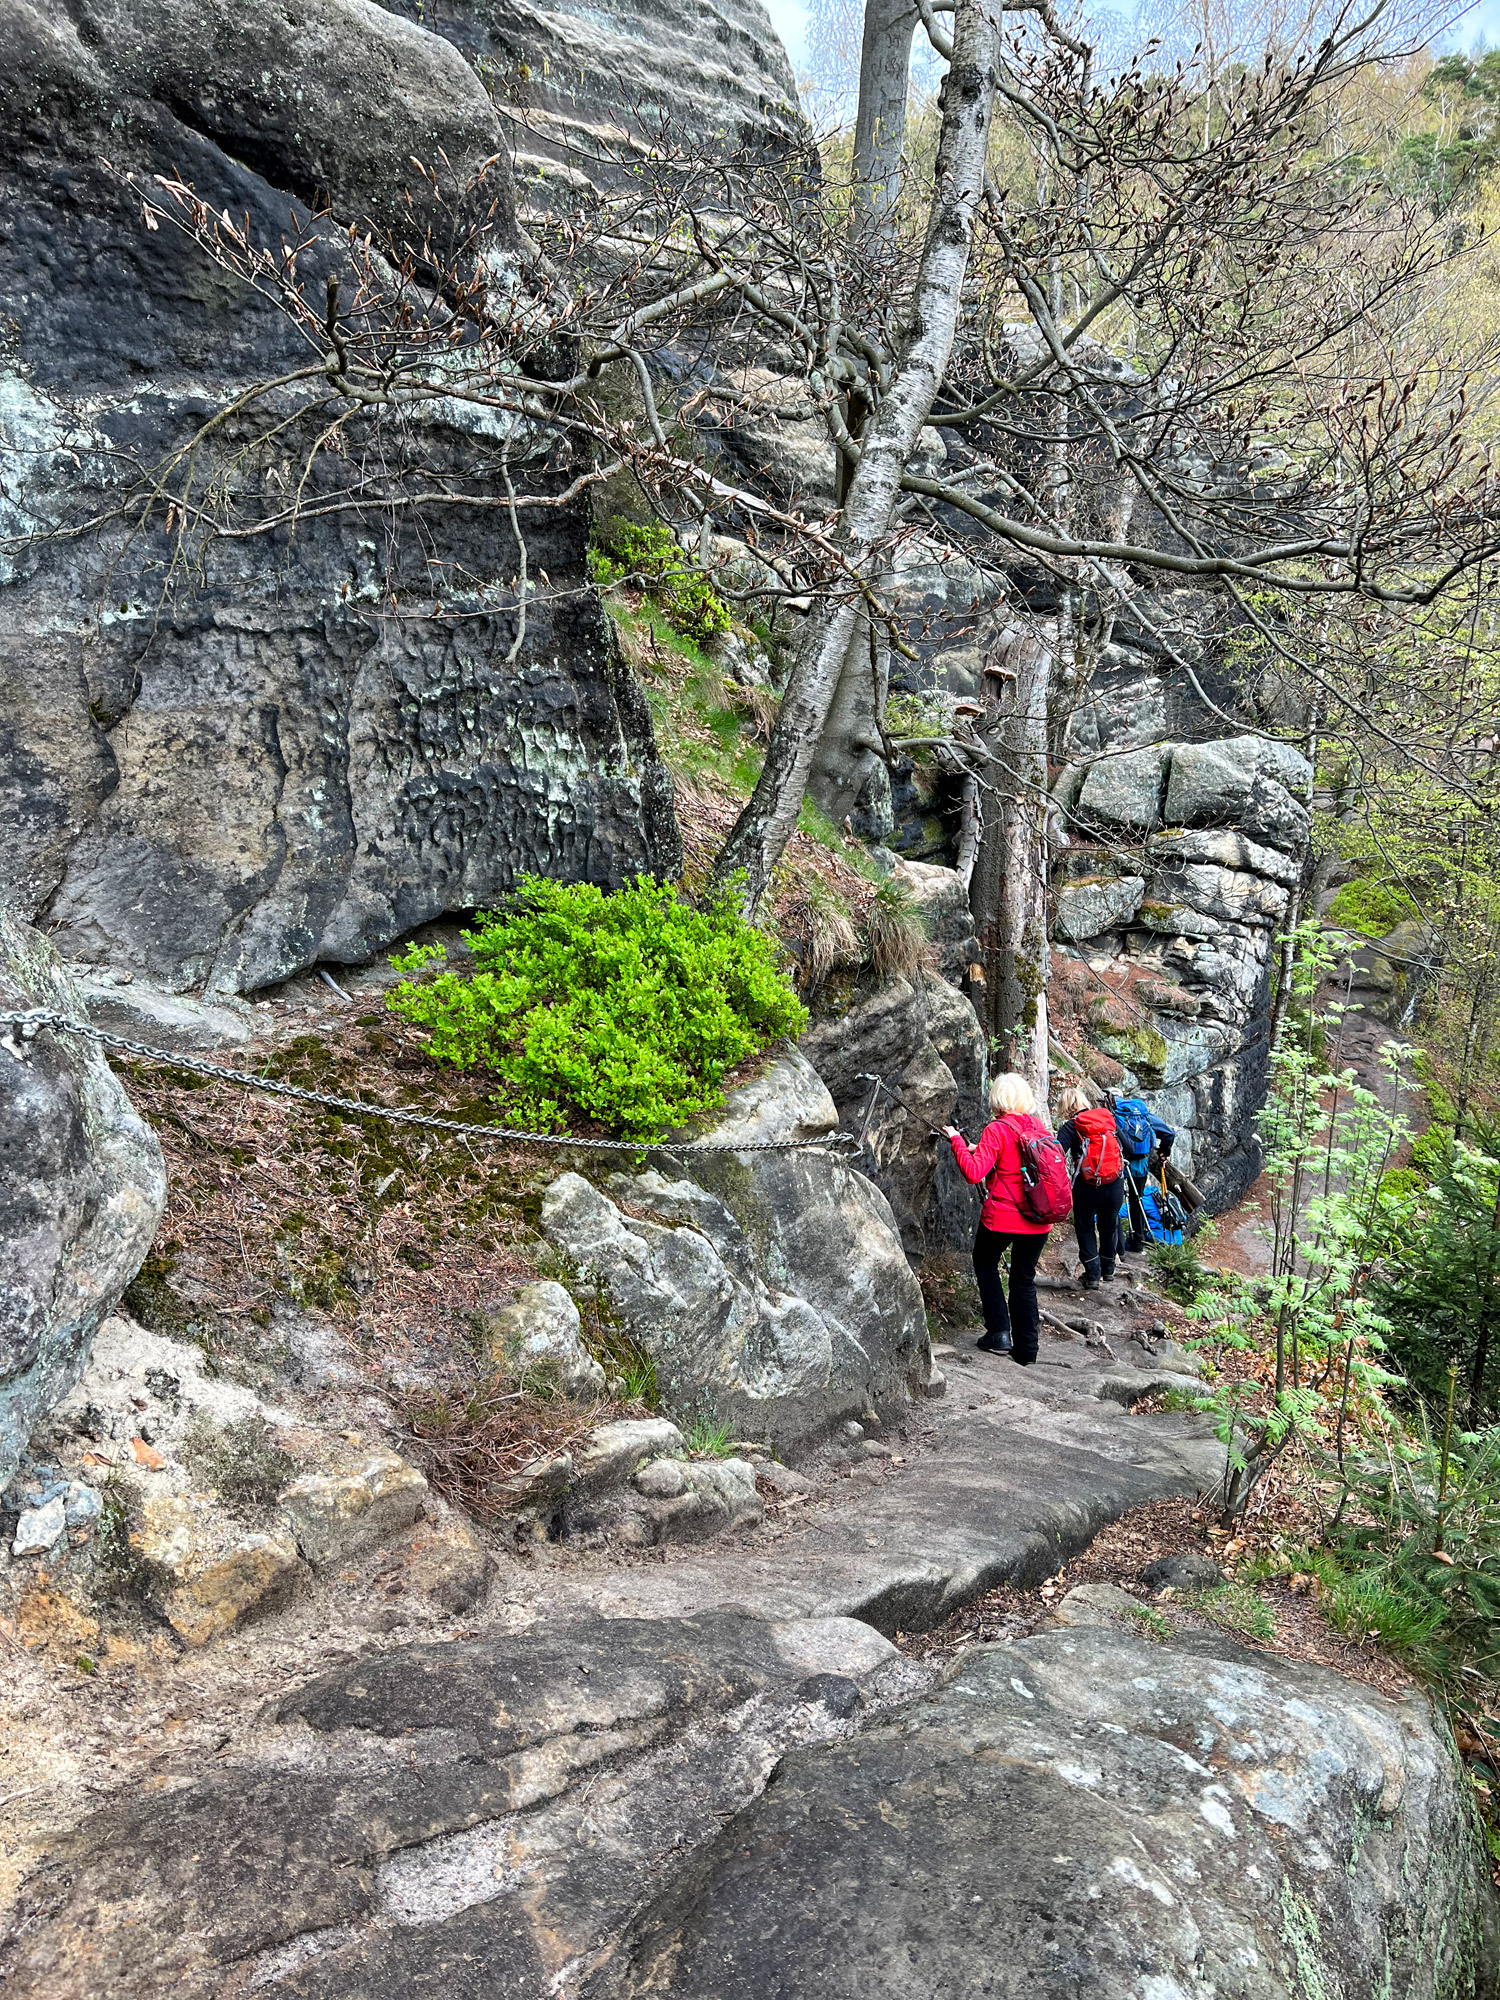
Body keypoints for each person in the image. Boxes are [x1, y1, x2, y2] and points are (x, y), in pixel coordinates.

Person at [942, 1073, 1053, 1363]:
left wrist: (956, 1141)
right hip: (1040, 1216)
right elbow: (1018, 1162)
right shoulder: (1037, 1126)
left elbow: (974, 1173)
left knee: (985, 1262)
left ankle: (999, 1332)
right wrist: (980, 1151)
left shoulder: (997, 1129)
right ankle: (1027, 1351)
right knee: (1023, 1280)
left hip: (1004, 1217)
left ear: (998, 1099)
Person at [1055, 1083, 1124, 1291]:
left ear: (1064, 1107)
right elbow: (1127, 1147)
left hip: (1086, 1186)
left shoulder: (1070, 1126)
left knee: (1085, 1227)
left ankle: (1093, 1274)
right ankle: (1109, 1269)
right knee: (1108, 1225)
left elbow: (1057, 1155)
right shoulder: (1106, 1120)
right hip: (1114, 1183)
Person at [1109, 1091, 1176, 1255]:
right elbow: (1169, 1133)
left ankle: (1116, 1244)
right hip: (1140, 1163)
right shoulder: (1143, 1115)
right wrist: (1163, 1153)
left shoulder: (1113, 1115)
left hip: (1118, 1163)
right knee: (1136, 1200)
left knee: (1113, 1202)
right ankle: (1137, 1243)